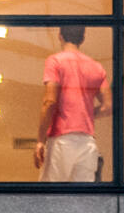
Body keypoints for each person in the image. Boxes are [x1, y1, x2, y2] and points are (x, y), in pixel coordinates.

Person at [35, 26, 109, 182]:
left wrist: (40, 140)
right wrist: (86, 113)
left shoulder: (55, 61)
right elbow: (108, 106)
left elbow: (49, 101)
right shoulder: (97, 67)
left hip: (61, 140)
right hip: (87, 142)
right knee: (82, 199)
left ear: (60, 36)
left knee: (51, 198)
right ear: (82, 39)